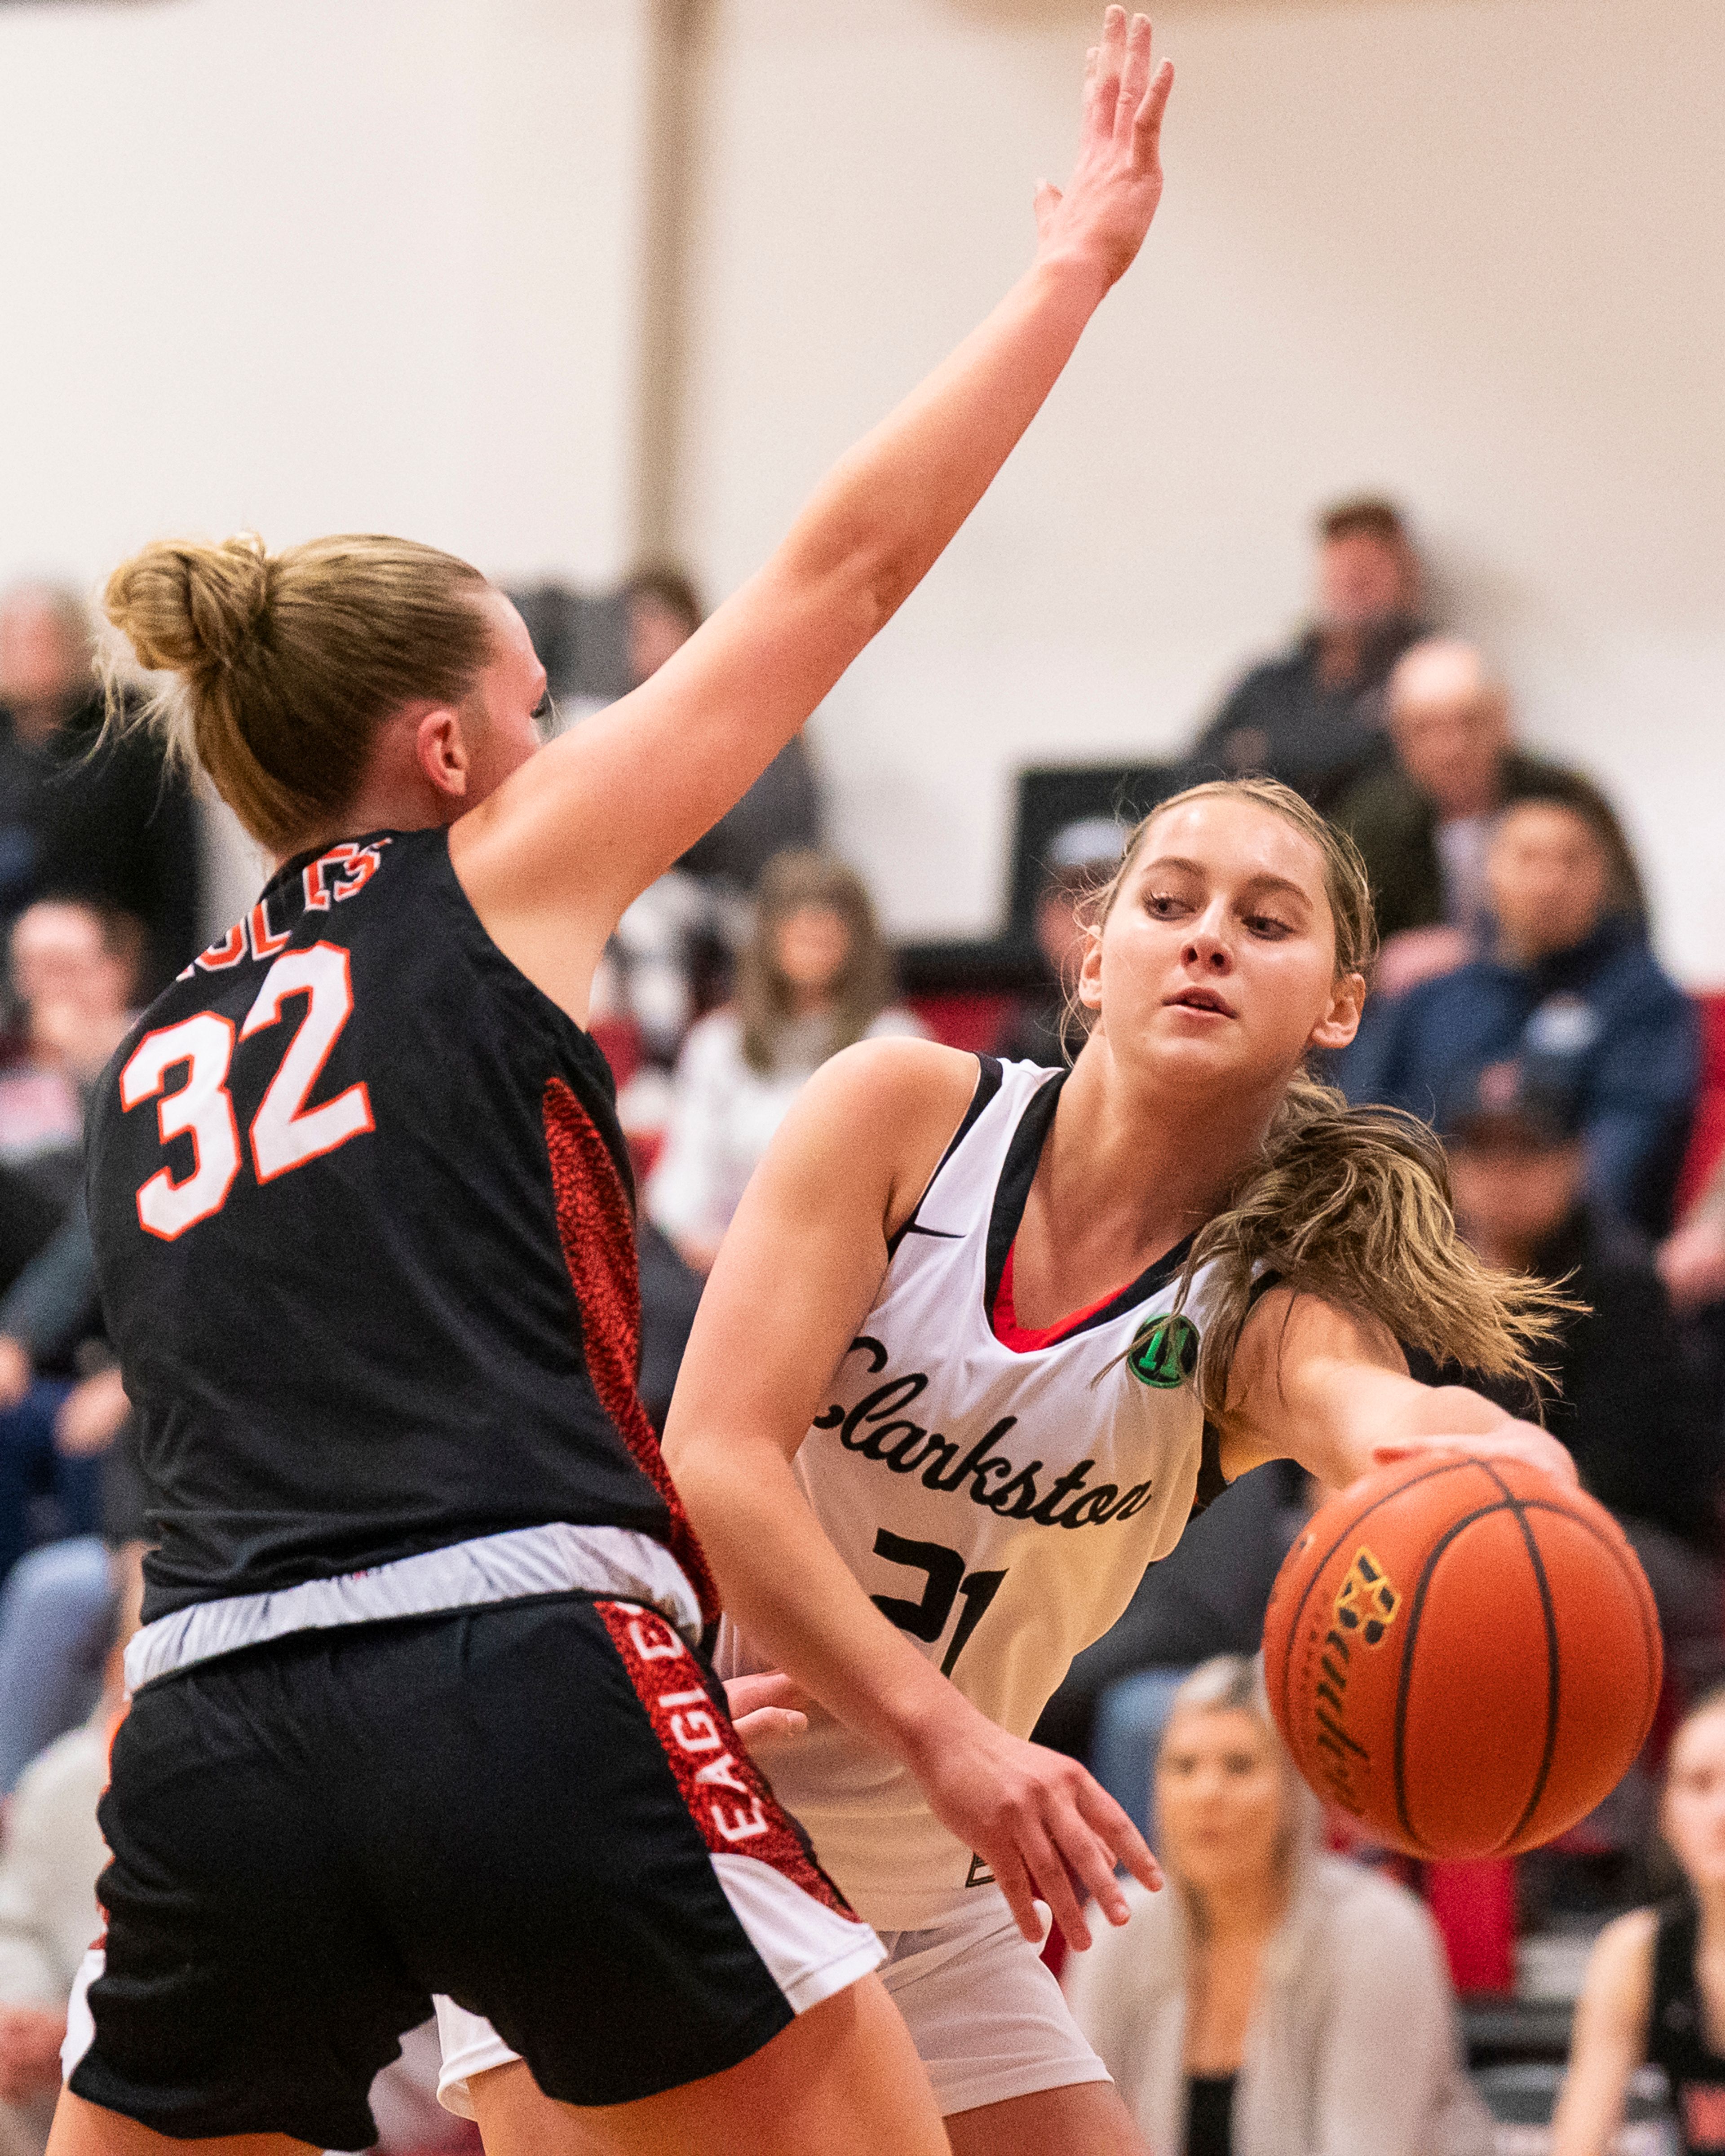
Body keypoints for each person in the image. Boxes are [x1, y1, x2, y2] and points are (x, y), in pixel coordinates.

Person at [57, 16, 1180, 2156]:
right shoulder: (480, 880)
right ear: (454, 753)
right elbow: (834, 577)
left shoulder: (140, 1059)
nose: (574, 740)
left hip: (208, 1716)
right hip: (509, 1660)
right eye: (544, 701)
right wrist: (1069, 272)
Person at [439, 771, 1578, 2154]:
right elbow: (719, 1463)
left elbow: (1371, 1416)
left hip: (914, 1887)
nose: (1207, 936)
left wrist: (1510, 1468)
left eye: (1264, 922)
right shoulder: (901, 1112)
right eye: (1169, 904)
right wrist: (957, 1743)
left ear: (1337, 1003)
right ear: (1093, 958)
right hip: (632, 1801)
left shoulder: (1264, 1307)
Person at [1062, 1657, 1492, 2156]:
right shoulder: (1119, 1925)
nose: (1207, 1793)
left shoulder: (1380, 1932)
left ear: (1296, 1791)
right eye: (1183, 1767)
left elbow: (1362, 2147)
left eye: (1239, 1766)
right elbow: (1081, 2142)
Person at [1439, 1060, 1722, 1690]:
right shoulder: (1421, 1275)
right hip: (1450, 1520)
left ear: (1574, 1162)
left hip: (1610, 1530)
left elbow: (1635, 1467)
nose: (1501, 1176)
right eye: (1481, 1152)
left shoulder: (1621, 1280)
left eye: (1527, 1152)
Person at [1340, 779, 1698, 1238]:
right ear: (1489, 874)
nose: (1549, 882)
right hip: (1418, 1242)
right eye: (1528, 859)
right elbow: (1364, 1125)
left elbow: (1631, 1141)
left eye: (1571, 862)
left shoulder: (1645, 999)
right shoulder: (1429, 997)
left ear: (1602, 879)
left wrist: (1519, 1210)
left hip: (1581, 1258)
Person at [647, 850, 925, 1273]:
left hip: (851, 1272)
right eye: (797, 916)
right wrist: (708, 1248)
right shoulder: (718, 1042)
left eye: (832, 917)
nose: (814, 928)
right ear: (767, 936)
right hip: (723, 1266)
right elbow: (686, 1174)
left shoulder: (897, 1041)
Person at [1331, 638, 1594, 992]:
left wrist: (1483, 951)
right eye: (1425, 729)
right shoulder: (1369, 821)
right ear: (1400, 738)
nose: (1450, 748)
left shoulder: (1566, 800)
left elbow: (1623, 930)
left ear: (1503, 722)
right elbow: (1335, 954)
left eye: (1468, 722)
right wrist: (1382, 966)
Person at [1551, 1688, 1725, 2156]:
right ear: (1667, 1813)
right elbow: (1577, 2146)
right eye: (1699, 1783)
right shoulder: (1636, 1953)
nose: (1721, 1812)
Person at [0, 588, 199, 997]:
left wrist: (172, 987)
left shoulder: (131, 729)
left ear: (78, 644)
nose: (25, 656)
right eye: (10, 641)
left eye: (40, 640)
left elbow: (176, 873)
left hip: (109, 962)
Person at [1184, 496, 1426, 811]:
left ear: (1406, 576)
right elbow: (1193, 773)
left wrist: (1258, 751)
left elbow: (1379, 772)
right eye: (1343, 569)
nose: (1353, 583)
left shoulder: (1432, 675)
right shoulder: (1270, 681)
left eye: (1369, 570)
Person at [994, 817, 1126, 1066]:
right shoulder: (1025, 1033)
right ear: (1044, 915)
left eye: (1108, 894)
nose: (1089, 914)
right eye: (1073, 895)